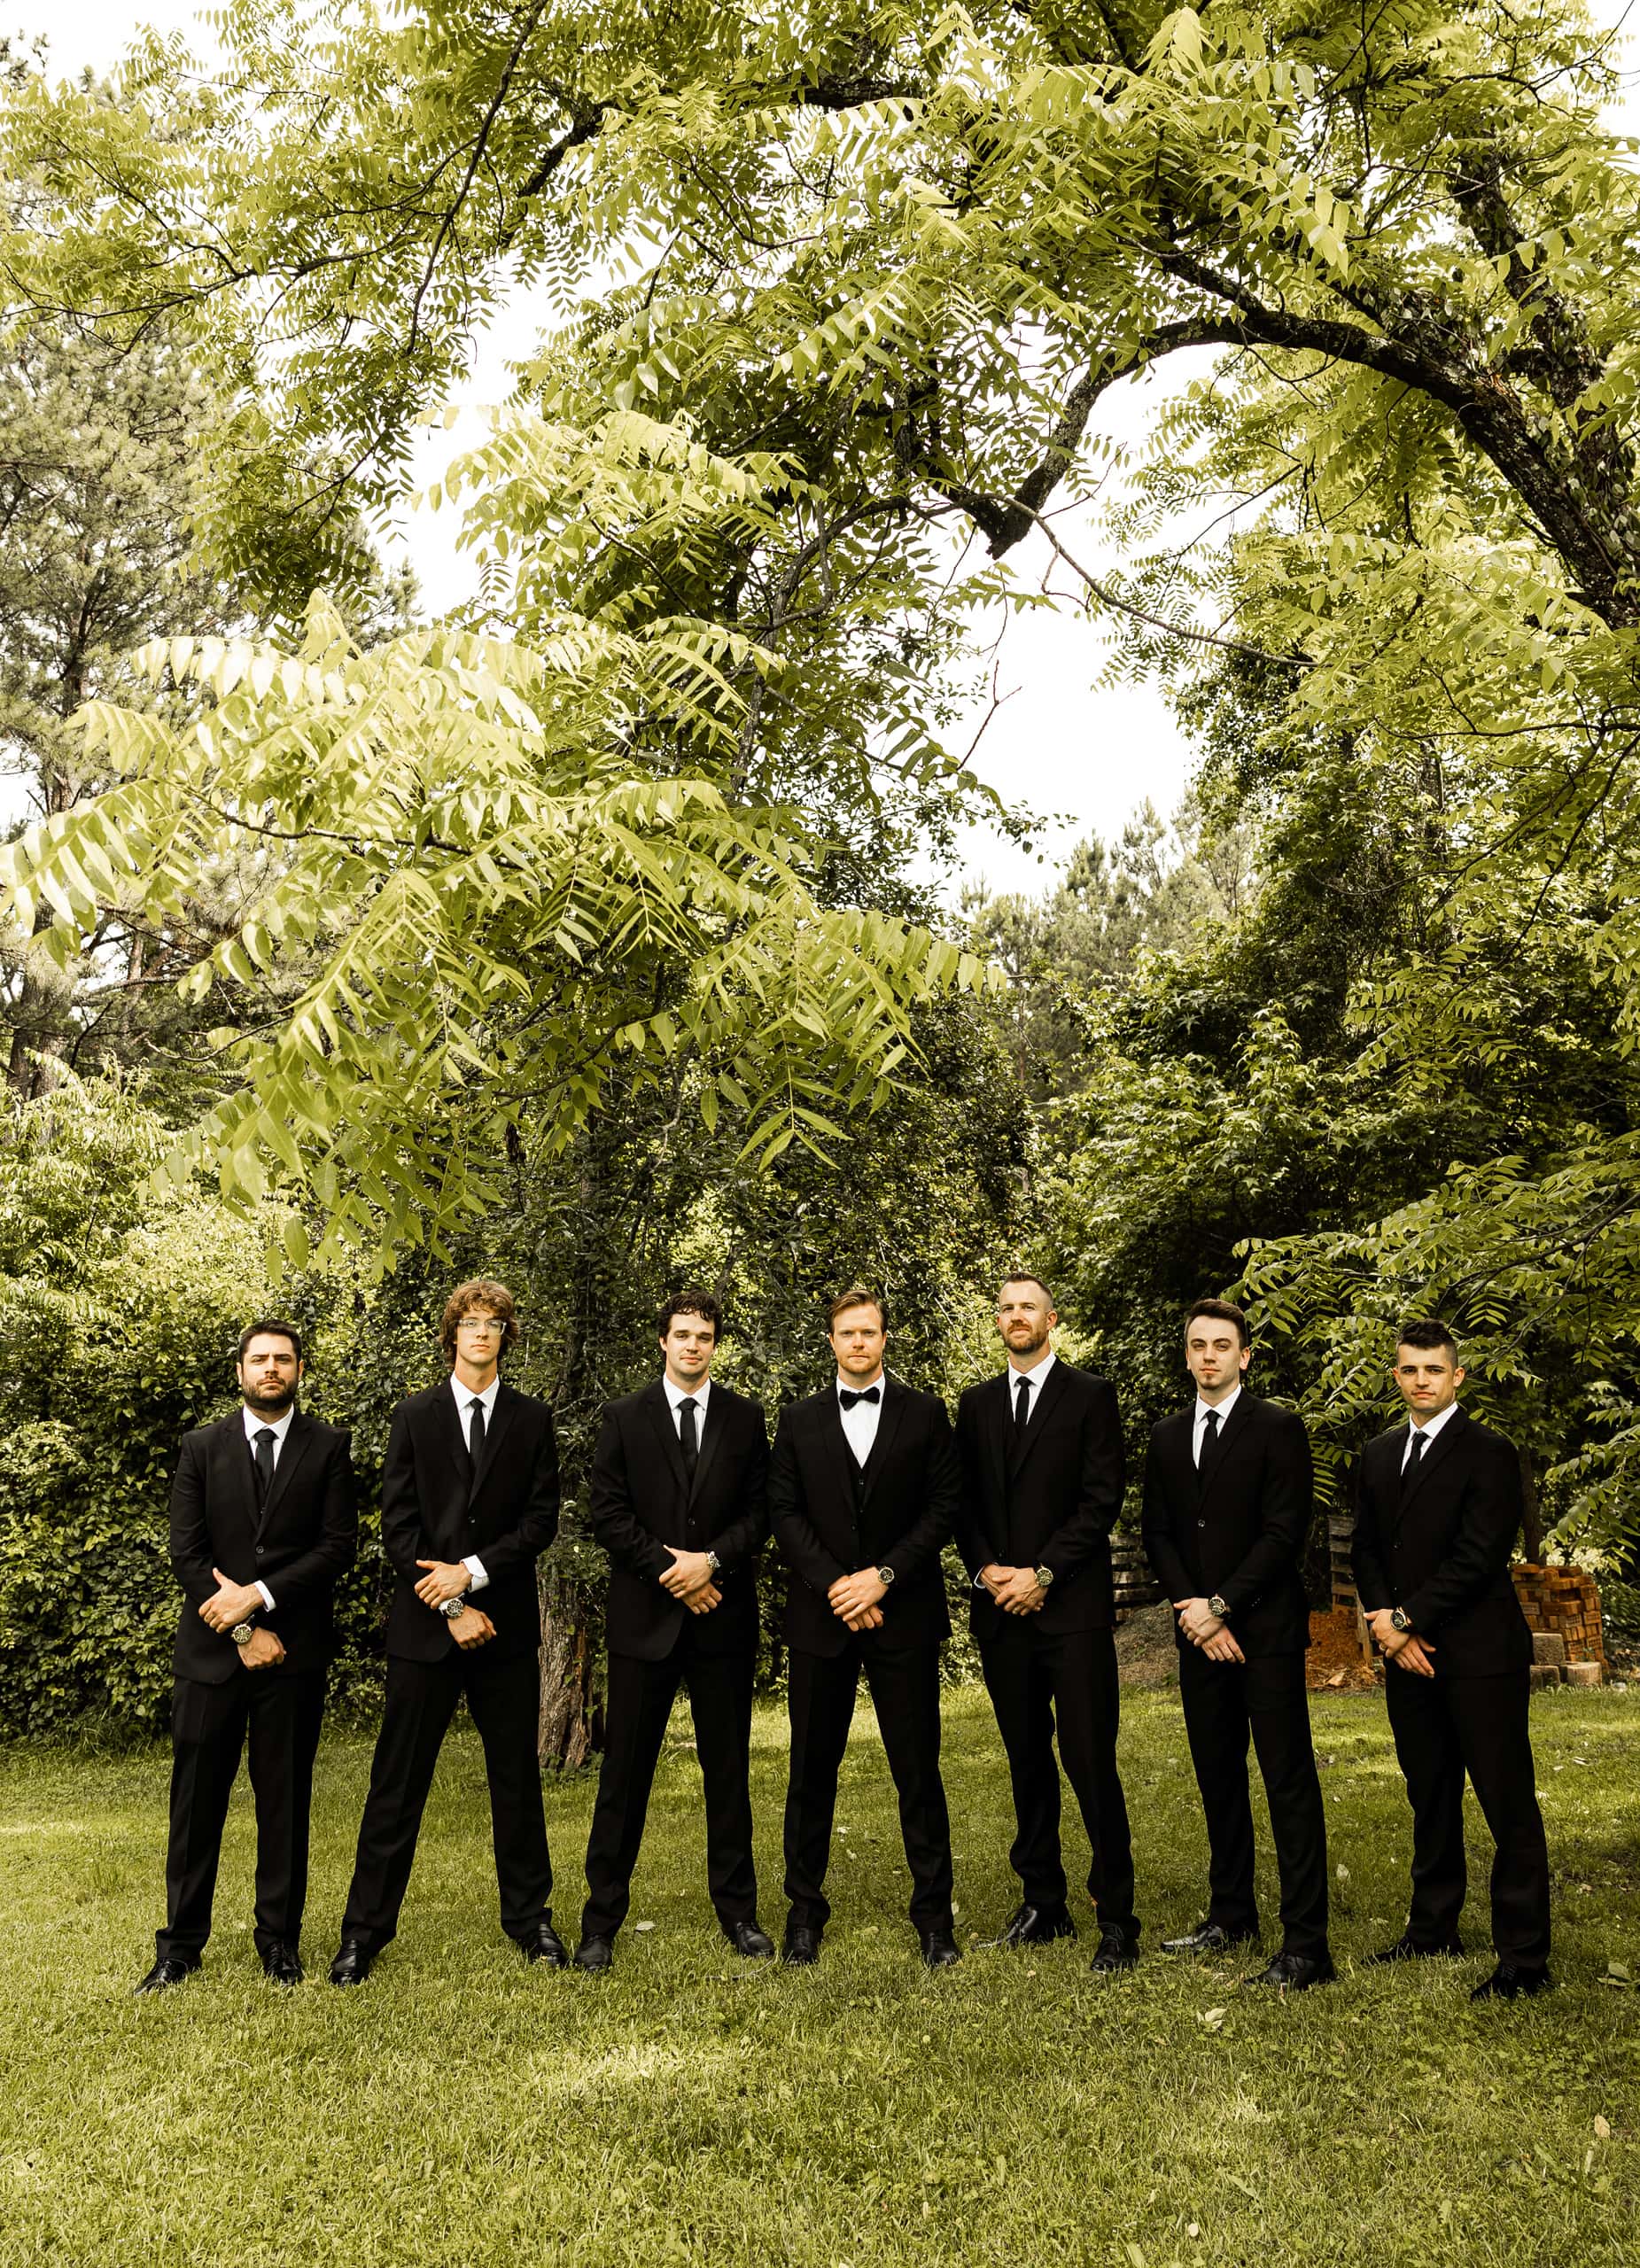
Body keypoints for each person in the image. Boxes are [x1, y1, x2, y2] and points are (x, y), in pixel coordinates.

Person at [330, 1280, 562, 1984]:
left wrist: (474, 1575)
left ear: (506, 1336)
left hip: (506, 1629)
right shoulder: (413, 1415)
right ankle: (362, 1934)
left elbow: (540, 1520)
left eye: (494, 1323)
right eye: (470, 1322)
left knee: (515, 1784)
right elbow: (396, 1528)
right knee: (395, 1785)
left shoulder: (530, 1418)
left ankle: (531, 1922)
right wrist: (451, 1604)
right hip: (426, 1633)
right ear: (451, 1333)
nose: (482, 1333)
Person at [136, 1320, 357, 1993]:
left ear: (298, 1369)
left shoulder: (328, 1447)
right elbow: (187, 1552)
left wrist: (258, 1597)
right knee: (195, 1803)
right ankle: (179, 1948)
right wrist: (241, 1629)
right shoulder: (201, 1447)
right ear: (239, 1370)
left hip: (293, 1656)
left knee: (283, 1801)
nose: (270, 1369)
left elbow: (335, 1547)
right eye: (259, 1359)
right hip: (210, 1660)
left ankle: (279, 1943)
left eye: (282, 1360)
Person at [1352, 1317, 1551, 2000]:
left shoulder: (1489, 1451)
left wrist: (1405, 1622)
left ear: (1456, 1375)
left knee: (1505, 1802)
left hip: (1478, 1655)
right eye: (1408, 1370)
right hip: (1408, 1660)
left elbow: (1476, 1557)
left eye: (1432, 1370)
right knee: (1428, 1793)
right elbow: (1366, 1550)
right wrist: (1385, 1628)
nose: (1420, 1381)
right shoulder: (1377, 1454)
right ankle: (1432, 1928)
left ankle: (1524, 1961)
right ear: (1395, 1375)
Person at [574, 1290, 773, 1971]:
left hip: (721, 1618)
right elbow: (608, 1512)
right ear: (662, 1341)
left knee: (728, 1772)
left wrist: (711, 1563)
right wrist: (673, 1569)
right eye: (682, 1334)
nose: (693, 1345)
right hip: (645, 1620)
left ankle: (740, 1914)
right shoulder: (624, 1418)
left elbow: (760, 1512)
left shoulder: (746, 1419)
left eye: (704, 1336)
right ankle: (600, 1923)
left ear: (716, 1344)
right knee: (623, 1777)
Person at [1141, 1299, 1333, 1991]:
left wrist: (1221, 1607)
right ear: (1186, 1354)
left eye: (1222, 1345)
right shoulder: (1165, 1436)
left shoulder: (1278, 1429)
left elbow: (1285, 1534)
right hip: (1197, 1636)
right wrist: (1193, 1611)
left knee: (1286, 1782)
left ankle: (1306, 1945)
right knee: (1217, 1778)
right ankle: (1230, 1916)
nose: (1209, 1356)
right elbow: (1157, 1531)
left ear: (1244, 1356)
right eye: (1197, 1345)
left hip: (1265, 1635)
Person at [769, 1286, 961, 1969]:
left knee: (917, 1769)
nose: (858, 1342)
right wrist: (837, 1586)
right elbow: (784, 1513)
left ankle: (934, 1919)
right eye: (846, 1333)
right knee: (810, 1771)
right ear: (830, 1341)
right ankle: (803, 1914)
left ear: (885, 1339)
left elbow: (943, 1508)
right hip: (820, 1620)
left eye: (869, 1332)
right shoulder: (796, 1420)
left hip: (902, 1614)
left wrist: (882, 1576)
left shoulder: (926, 1413)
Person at [953, 1272, 1139, 1972]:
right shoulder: (973, 1405)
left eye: (1027, 1306)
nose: (1015, 1316)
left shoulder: (1090, 1396)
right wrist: (988, 1571)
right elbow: (960, 1500)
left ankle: (1116, 1918)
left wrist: (1044, 1574)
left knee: (1089, 1760)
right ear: (997, 1321)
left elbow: (1101, 1498)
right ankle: (1043, 1904)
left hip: (1072, 1614)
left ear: (1050, 1319)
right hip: (1000, 1612)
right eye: (1004, 1307)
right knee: (1026, 1762)